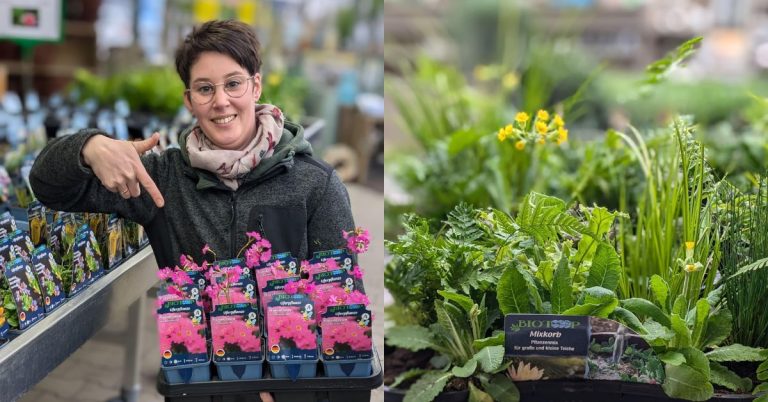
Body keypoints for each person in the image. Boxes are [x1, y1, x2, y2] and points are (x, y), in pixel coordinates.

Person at [29, 20, 355, 400]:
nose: (220, 101)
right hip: (196, 388)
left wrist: (279, 389)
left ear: (256, 85)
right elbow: (48, 187)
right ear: (189, 100)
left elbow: (342, 310)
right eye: (205, 88)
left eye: (233, 83)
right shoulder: (162, 179)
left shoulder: (315, 184)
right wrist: (89, 147)